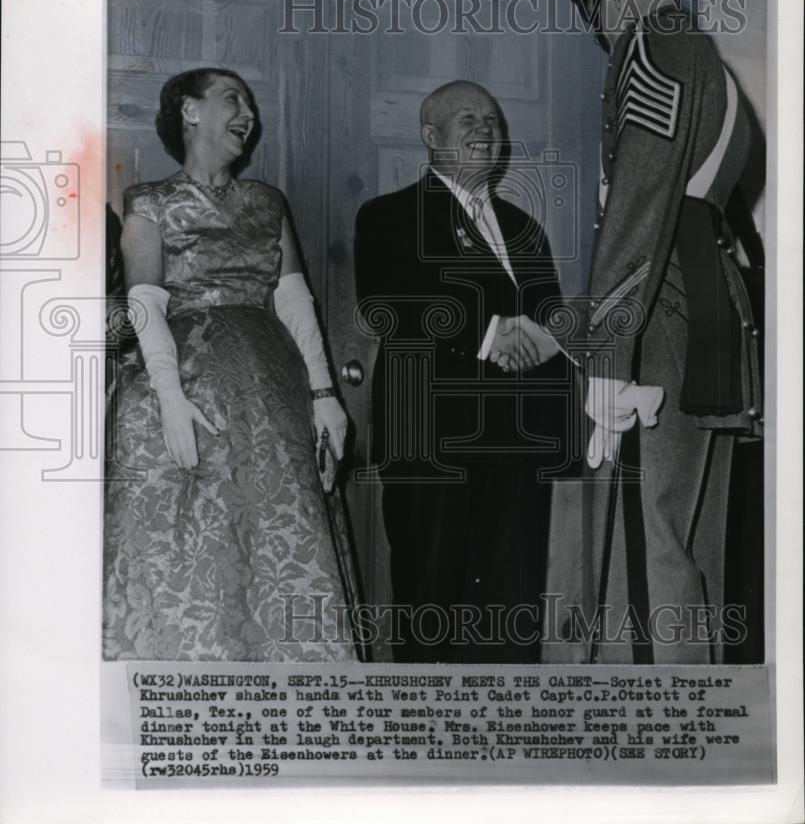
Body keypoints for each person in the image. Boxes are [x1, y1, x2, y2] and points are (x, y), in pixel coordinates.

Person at [524, 0, 763, 663]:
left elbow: (637, 211)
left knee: (643, 549)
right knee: (689, 547)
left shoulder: (651, 44)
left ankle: (652, 747)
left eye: (587, 4)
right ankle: (695, 736)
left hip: (654, 322)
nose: (591, 23)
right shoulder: (706, 57)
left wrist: (603, 354)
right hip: (708, 324)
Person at [103, 67, 354, 661]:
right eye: (232, 99)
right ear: (190, 111)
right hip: (182, 379)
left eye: (250, 103)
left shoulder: (268, 202)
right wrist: (167, 396)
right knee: (192, 540)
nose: (248, 114)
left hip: (270, 383)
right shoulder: (150, 202)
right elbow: (144, 302)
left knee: (277, 534)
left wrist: (324, 396)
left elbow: (293, 300)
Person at [354, 80, 574, 663]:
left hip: (519, 443)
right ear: (430, 136)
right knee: (430, 603)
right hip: (432, 439)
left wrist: (547, 337)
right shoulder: (386, 215)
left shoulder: (526, 227)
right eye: (467, 118)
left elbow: (551, 314)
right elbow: (387, 303)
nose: (485, 128)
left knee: (509, 612)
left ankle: (503, 744)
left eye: (494, 121)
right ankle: (420, 748)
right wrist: (489, 334)